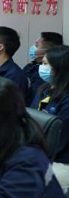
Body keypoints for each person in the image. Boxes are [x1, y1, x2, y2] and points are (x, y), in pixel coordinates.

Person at [32, 46, 69, 189]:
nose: (41, 67)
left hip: (60, 161)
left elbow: (59, 142)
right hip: (37, 152)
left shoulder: (66, 100)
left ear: (58, 68)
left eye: (45, 64)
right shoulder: (43, 90)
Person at [24, 32, 63, 103]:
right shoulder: (29, 66)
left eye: (36, 45)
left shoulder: (46, 73)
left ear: (46, 51)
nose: (32, 47)